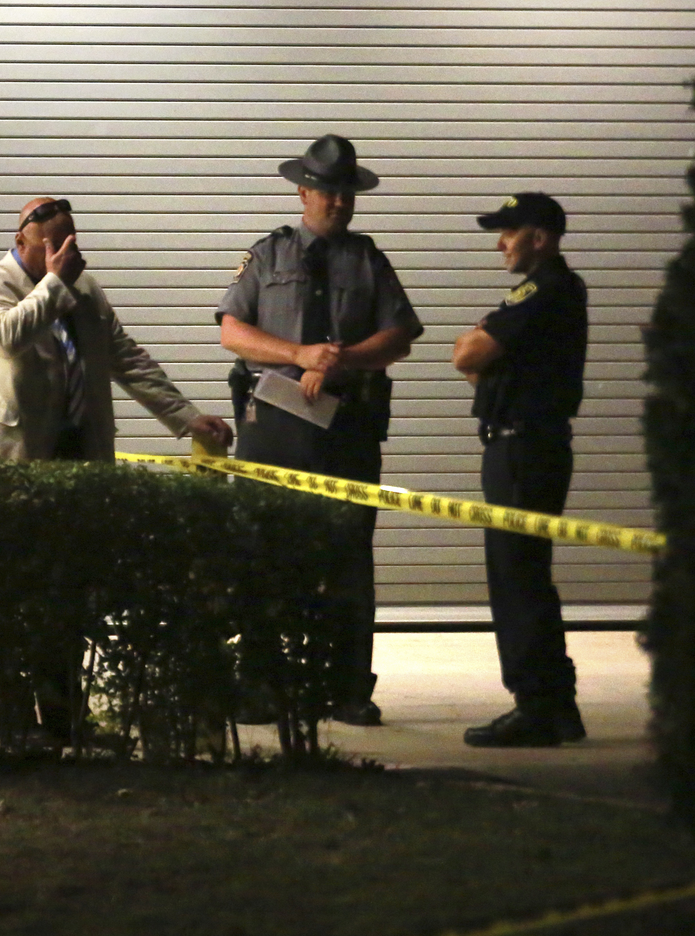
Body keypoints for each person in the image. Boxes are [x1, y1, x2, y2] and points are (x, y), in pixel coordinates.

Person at [0, 195, 232, 742]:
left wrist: (188, 418)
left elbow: (126, 358)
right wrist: (53, 284)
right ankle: (8, 728)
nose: (66, 253)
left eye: (72, 241)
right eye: (54, 243)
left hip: (74, 462)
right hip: (7, 469)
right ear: (23, 239)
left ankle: (65, 723)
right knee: (6, 602)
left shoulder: (86, 292)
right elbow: (9, 336)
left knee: (65, 600)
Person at [216, 135, 423, 726]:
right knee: (264, 556)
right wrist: (299, 353)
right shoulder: (268, 255)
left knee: (349, 559)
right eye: (327, 191)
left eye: (346, 193)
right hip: (275, 426)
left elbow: (402, 334)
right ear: (303, 191)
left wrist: (344, 359)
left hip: (345, 428)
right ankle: (260, 681)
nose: (337, 202)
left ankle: (347, 686)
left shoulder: (368, 260)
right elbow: (232, 331)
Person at [451, 191, 590, 747]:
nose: (501, 242)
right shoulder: (551, 293)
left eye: (510, 231)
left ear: (541, 236)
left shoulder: (542, 290)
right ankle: (558, 705)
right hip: (528, 448)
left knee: (516, 581)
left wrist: (480, 339)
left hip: (522, 452)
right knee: (529, 577)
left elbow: (465, 357)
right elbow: (477, 366)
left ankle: (536, 707)